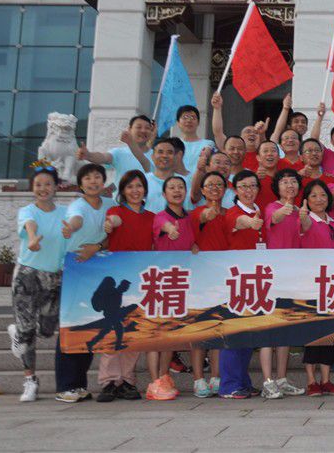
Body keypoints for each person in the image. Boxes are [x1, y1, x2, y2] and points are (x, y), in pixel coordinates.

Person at [9, 166, 67, 403]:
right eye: (38, 185)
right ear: (33, 188)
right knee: (27, 332)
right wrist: (32, 239)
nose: (43, 189)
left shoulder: (66, 212)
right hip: (27, 275)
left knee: (47, 330)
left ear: (56, 187)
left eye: (48, 184)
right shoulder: (27, 211)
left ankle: (18, 333)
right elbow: (30, 225)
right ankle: (30, 380)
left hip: (54, 278)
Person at [95, 169, 153, 402]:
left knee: (132, 331)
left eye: (139, 186)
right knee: (112, 330)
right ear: (123, 191)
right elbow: (111, 224)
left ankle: (127, 380)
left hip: (140, 280)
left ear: (145, 190)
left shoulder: (152, 217)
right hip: (116, 279)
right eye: (130, 187)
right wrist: (110, 225)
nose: (135, 190)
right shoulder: (115, 212)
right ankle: (109, 381)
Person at [55, 162, 110, 403]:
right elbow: (75, 221)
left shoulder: (110, 205)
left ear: (103, 181)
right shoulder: (77, 206)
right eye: (88, 178)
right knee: (71, 326)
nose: (93, 181)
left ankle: (79, 384)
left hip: (99, 270)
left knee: (89, 326)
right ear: (80, 184)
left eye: (97, 177)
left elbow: (113, 236)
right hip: (76, 269)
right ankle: (66, 385)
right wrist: (70, 228)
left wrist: (96, 246)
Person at [145, 175, 196, 401]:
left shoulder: (189, 218)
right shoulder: (161, 217)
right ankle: (154, 382)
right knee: (158, 335)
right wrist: (170, 231)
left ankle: (164, 377)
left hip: (181, 283)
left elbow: (191, 241)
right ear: (164, 194)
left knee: (171, 336)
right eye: (172, 188)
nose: (177, 191)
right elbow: (165, 227)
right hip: (162, 282)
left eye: (180, 187)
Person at [259, 169, 308, 399]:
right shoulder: (272, 207)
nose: (290, 185)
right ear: (277, 187)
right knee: (269, 329)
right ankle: (267, 381)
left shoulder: (300, 211)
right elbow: (275, 218)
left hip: (294, 275)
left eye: (293, 182)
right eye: (284, 182)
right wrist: (285, 209)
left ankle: (281, 379)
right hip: (273, 275)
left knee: (285, 328)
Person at [218, 170, 265, 399]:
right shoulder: (234, 213)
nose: (249, 190)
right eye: (244, 186)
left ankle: (242, 382)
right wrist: (252, 223)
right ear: (235, 190)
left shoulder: (258, 209)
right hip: (237, 280)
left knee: (248, 335)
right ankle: (228, 385)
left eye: (253, 186)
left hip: (255, 280)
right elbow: (241, 222)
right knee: (234, 333)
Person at [301, 180, 334, 396]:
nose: (319, 199)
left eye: (323, 195)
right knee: (313, 331)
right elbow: (303, 226)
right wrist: (302, 216)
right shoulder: (306, 220)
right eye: (314, 196)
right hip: (311, 283)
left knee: (331, 331)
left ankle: (326, 379)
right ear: (306, 200)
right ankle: (311, 380)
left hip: (333, 285)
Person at [191, 170, 232, 397]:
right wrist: (206, 216)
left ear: (225, 190)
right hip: (201, 278)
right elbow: (193, 232)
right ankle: (198, 379)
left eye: (219, 185)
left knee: (219, 329)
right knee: (200, 331)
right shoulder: (196, 213)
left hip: (224, 278)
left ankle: (216, 376)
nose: (215, 188)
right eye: (210, 185)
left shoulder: (230, 214)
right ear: (202, 190)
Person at [78, 117, 155, 185]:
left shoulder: (157, 156)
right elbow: (103, 157)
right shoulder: (119, 153)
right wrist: (89, 155)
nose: (143, 130)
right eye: (139, 127)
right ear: (129, 129)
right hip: (121, 197)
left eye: (147, 128)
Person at [171, 104, 215, 172]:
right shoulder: (172, 145)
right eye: (185, 117)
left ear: (198, 122)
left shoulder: (208, 144)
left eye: (192, 117)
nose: (189, 120)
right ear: (178, 122)